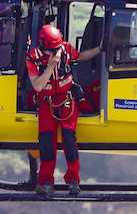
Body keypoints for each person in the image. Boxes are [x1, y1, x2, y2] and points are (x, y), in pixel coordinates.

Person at [26, 23, 100, 197]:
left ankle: (73, 179)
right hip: (47, 102)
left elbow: (80, 57)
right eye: (53, 50)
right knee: (46, 142)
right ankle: (45, 181)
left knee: (69, 139)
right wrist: (51, 66)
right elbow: (37, 86)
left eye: (58, 48)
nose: (56, 52)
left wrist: (99, 49)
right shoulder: (33, 57)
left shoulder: (65, 48)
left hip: (67, 100)